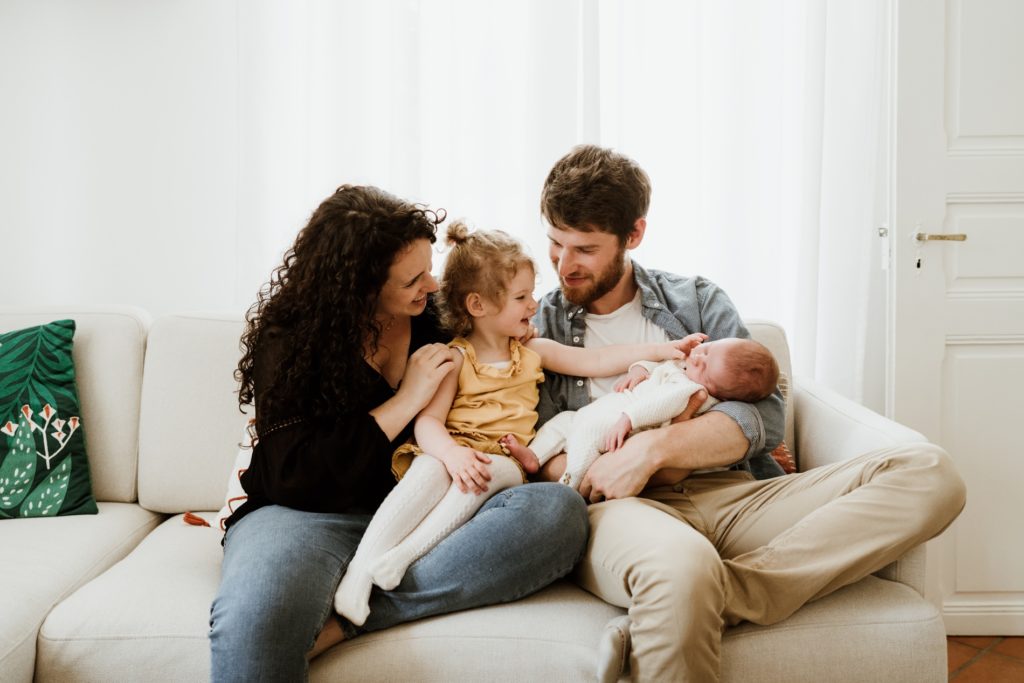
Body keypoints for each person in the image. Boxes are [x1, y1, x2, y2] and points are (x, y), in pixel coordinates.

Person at [533, 145, 967, 681]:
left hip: (734, 492)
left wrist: (652, 450)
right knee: (683, 568)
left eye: (585, 248)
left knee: (930, 473)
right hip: (622, 511)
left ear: (634, 234)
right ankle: (695, 588)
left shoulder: (695, 301)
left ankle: (726, 592)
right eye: (555, 243)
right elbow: (541, 455)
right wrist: (610, 469)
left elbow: (764, 416)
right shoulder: (537, 327)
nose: (564, 265)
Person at [208, 185, 590, 682]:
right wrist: (406, 399)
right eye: (413, 279)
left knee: (558, 512)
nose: (431, 284)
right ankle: (360, 595)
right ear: (360, 286)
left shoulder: (435, 319)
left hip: (426, 507)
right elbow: (292, 473)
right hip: (305, 514)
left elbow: (502, 350)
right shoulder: (292, 338)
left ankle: (353, 614)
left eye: (428, 269)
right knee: (255, 628)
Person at [334, 221, 694, 626]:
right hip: (454, 450)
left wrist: (664, 350)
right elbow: (428, 423)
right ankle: (359, 573)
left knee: (490, 471)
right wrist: (451, 455)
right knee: (428, 470)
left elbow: (595, 360)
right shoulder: (455, 358)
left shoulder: (533, 351)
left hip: (504, 460)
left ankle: (402, 557)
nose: (534, 305)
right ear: (478, 305)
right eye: (521, 297)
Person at [503, 336, 779, 490]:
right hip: (597, 413)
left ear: (715, 389)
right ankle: (534, 456)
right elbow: (658, 365)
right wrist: (640, 369)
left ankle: (570, 484)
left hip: (616, 421)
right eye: (706, 350)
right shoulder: (683, 366)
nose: (697, 357)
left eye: (704, 367)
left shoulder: (688, 388)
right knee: (561, 424)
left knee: (585, 438)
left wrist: (629, 419)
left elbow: (659, 405)